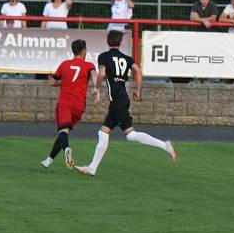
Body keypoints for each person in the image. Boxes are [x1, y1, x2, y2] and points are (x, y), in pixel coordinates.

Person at [75, 30, 177, 176]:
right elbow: (139, 71)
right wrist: (138, 91)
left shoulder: (104, 56)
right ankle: (92, 167)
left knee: (130, 134)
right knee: (104, 132)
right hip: (122, 99)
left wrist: (96, 88)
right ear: (120, 42)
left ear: (107, 41)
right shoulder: (127, 58)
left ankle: (165, 146)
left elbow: (102, 74)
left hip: (117, 100)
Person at [41, 39, 98, 169]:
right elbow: (94, 75)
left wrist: (61, 81)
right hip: (79, 106)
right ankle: (49, 160)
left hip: (65, 103)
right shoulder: (89, 65)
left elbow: (52, 83)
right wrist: (96, 88)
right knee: (63, 132)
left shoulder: (65, 64)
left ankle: (67, 150)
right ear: (84, 51)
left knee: (63, 132)